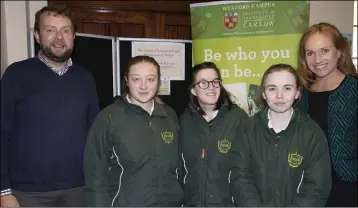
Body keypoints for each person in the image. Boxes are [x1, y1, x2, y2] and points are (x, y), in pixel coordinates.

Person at [0, 6, 100, 207]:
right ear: (37, 35)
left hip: (79, 190)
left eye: (65, 30)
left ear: (74, 36)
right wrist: (4, 191)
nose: (59, 37)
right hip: (28, 194)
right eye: (50, 30)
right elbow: (2, 134)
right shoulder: (15, 75)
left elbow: (96, 134)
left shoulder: (85, 79)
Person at [83, 55, 184, 207]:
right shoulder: (109, 117)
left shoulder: (169, 115)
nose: (143, 86)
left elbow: (178, 167)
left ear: (158, 82)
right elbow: (95, 175)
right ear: (127, 81)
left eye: (150, 79)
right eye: (136, 79)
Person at [229, 64, 332, 207]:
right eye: (272, 88)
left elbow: (316, 188)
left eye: (287, 88)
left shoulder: (312, 134)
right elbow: (240, 177)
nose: (279, 95)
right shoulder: (247, 129)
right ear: (264, 93)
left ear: (297, 93)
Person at [297, 22, 358, 207]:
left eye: (324, 51)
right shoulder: (301, 94)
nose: (317, 59)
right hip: (310, 187)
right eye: (310, 53)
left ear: (339, 52)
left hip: (348, 187)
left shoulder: (354, 89)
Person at [178, 62, 248, 206]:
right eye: (203, 83)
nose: (211, 87)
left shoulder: (238, 119)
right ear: (193, 90)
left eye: (215, 82)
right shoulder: (183, 121)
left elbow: (249, 170)